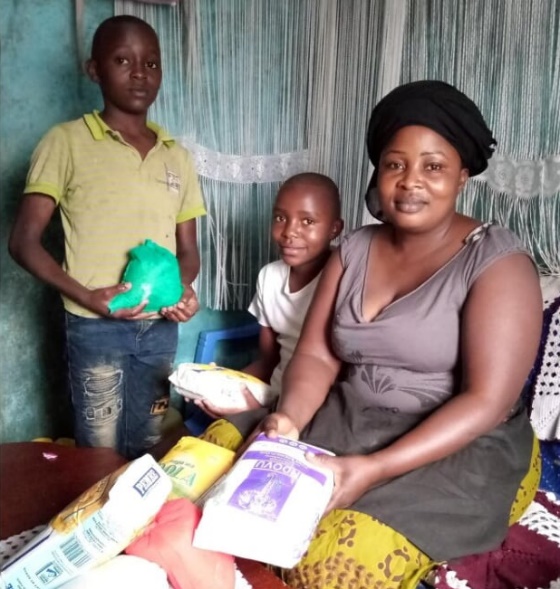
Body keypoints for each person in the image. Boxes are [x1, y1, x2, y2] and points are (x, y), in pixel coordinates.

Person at [200, 81, 543, 588]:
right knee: (210, 464)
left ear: (463, 175)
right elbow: (316, 355)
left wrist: (374, 468)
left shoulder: (497, 263)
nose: (410, 182)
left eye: (433, 166)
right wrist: (291, 419)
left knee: (329, 567)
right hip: (349, 418)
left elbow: (487, 401)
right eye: (395, 164)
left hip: (457, 446)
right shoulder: (354, 249)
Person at [8, 16, 206, 460]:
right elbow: (23, 242)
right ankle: (96, 528)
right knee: (98, 451)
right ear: (94, 69)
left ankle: (139, 530)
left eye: (151, 63)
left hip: (159, 330)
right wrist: (86, 295)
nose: (139, 73)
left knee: (147, 445)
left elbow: (188, 251)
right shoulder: (66, 143)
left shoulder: (178, 157)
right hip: (95, 328)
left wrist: (184, 289)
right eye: (123, 60)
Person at [191, 173, 343, 427]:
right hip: (273, 396)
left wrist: (261, 410)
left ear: (335, 229)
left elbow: (344, 375)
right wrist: (225, 385)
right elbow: (269, 361)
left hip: (320, 408)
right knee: (187, 438)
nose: (289, 232)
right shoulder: (269, 277)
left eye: (307, 221)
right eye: (280, 218)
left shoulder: (346, 279)